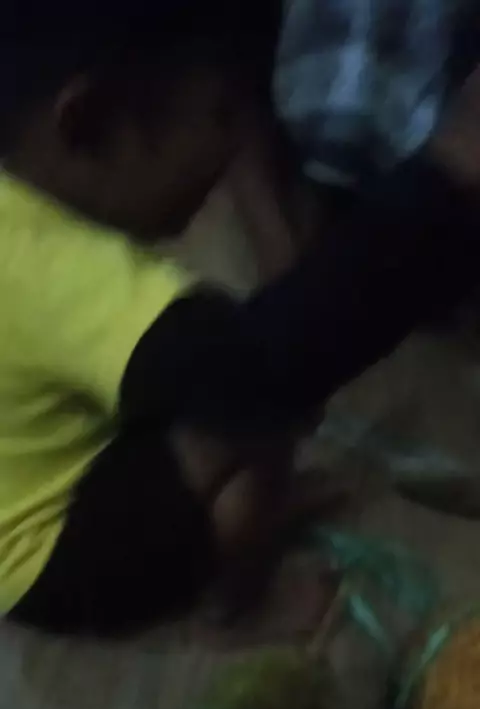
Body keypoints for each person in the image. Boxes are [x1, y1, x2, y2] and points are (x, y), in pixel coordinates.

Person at [2, 3, 480, 637]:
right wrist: (446, 179)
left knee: (219, 370)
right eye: (220, 115)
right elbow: (254, 375)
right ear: (85, 123)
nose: (229, 150)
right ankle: (239, 604)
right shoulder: (54, 272)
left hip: (29, 452)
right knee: (249, 414)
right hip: (53, 557)